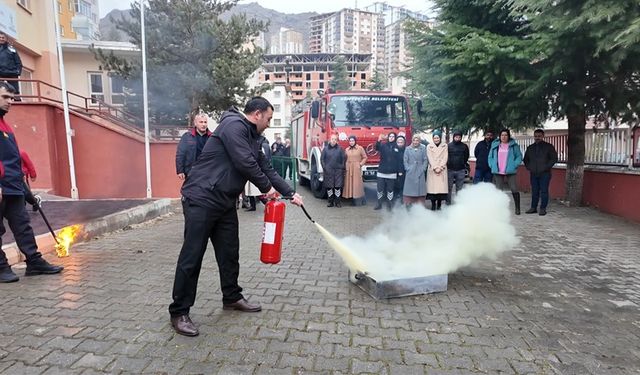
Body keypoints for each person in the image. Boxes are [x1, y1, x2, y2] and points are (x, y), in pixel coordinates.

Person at [169, 97, 303, 337]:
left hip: (224, 202)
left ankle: (231, 297)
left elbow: (267, 169)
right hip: (201, 198)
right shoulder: (233, 125)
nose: (269, 124)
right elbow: (245, 161)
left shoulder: (255, 138)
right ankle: (179, 311)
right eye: (269, 118)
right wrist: (266, 188)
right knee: (192, 256)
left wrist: (290, 192)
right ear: (257, 114)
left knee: (230, 252)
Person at [0, 82, 63, 283]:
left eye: (11, 98)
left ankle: (34, 262)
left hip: (14, 186)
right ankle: (1, 266)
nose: (10, 102)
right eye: (5, 97)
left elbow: (12, 158)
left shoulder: (5, 126)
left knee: (23, 226)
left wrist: (25, 191)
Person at [488, 128, 523, 215]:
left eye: (506, 135)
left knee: (514, 189)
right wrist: (492, 165)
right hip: (498, 171)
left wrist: (514, 164)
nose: (504, 137)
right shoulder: (495, 145)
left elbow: (519, 156)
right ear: (499, 136)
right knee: (499, 190)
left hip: (510, 171)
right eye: (502, 135)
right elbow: (490, 157)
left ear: (508, 136)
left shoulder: (513, 145)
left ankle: (517, 208)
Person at [524, 129, 558, 216]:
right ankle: (533, 208)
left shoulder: (549, 147)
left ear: (543, 136)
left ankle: (543, 208)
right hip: (533, 173)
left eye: (539, 136)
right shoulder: (530, 148)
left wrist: (546, 167)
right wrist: (529, 167)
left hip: (545, 173)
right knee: (534, 191)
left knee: (544, 191)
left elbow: (554, 159)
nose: (537, 138)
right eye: (535, 136)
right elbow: (526, 159)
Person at [175, 113, 211, 181]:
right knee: (191, 191)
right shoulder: (187, 136)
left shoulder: (212, 137)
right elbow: (180, 154)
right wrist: (180, 170)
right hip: (190, 172)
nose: (203, 124)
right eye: (201, 122)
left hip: (207, 172)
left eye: (205, 122)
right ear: (195, 123)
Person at [243, 135, 271, 211]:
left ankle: (268, 204)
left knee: (256, 192)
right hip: (249, 172)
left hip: (255, 171)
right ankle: (253, 206)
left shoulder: (259, 147)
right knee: (250, 192)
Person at [374, 132, 400, 211]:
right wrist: (379, 140)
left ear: (395, 138)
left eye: (393, 136)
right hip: (381, 171)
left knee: (390, 190)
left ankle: (389, 204)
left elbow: (399, 160)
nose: (391, 138)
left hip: (392, 173)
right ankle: (379, 204)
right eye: (390, 136)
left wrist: (398, 171)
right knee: (380, 189)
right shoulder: (383, 145)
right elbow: (377, 148)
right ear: (388, 137)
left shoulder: (397, 147)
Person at [321, 133, 346, 208]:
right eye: (332, 139)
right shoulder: (325, 149)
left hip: (338, 171)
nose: (334, 141)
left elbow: (343, 159)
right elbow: (322, 159)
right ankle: (330, 202)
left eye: (335, 139)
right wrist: (324, 167)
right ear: (330, 140)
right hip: (328, 171)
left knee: (337, 187)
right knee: (329, 187)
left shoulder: (340, 149)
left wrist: (342, 167)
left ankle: (337, 202)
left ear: (337, 141)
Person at [402, 135, 428, 207]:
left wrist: (423, 169)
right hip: (410, 171)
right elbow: (405, 160)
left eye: (417, 140)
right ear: (412, 141)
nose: (415, 142)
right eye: (414, 140)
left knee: (420, 189)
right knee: (409, 188)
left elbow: (425, 159)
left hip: (420, 170)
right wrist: (408, 168)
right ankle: (408, 204)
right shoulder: (407, 149)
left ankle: (420, 204)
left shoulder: (423, 148)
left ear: (419, 141)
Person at [426, 130, 448, 210]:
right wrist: (435, 167)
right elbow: (430, 157)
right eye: (434, 138)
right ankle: (433, 204)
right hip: (433, 169)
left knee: (440, 190)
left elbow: (445, 156)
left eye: (437, 138)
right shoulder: (429, 146)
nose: (436, 139)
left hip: (442, 169)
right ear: (433, 138)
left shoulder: (445, 146)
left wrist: (440, 167)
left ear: (440, 138)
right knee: (432, 189)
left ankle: (439, 205)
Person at [343, 135, 367, 206]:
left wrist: (360, 164)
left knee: (357, 184)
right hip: (349, 168)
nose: (351, 142)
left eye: (353, 141)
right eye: (350, 141)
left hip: (356, 168)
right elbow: (344, 159)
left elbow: (365, 157)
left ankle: (363, 198)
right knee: (350, 184)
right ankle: (353, 200)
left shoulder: (360, 148)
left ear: (355, 141)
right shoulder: (346, 149)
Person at [447, 130, 469, 204]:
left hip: (460, 170)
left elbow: (466, 156)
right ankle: (448, 203)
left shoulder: (464, 146)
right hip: (450, 169)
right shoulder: (449, 146)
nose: (457, 138)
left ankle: (458, 204)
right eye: (456, 137)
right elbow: (446, 156)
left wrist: (463, 163)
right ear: (454, 137)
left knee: (459, 189)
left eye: (459, 137)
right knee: (448, 188)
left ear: (461, 138)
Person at [0, 32, 22, 98]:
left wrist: (18, 71)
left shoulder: (12, 49)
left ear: (6, 39)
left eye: (3, 38)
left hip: (12, 73)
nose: (1, 39)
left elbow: (18, 62)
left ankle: (17, 102)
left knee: (15, 91)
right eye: (0, 38)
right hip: (0, 72)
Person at [394, 135, 407, 204]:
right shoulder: (393, 150)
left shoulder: (406, 150)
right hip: (394, 171)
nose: (400, 143)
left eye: (401, 142)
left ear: (404, 142)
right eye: (398, 142)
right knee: (395, 187)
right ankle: (394, 203)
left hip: (403, 171)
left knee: (402, 187)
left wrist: (401, 171)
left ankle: (403, 201)